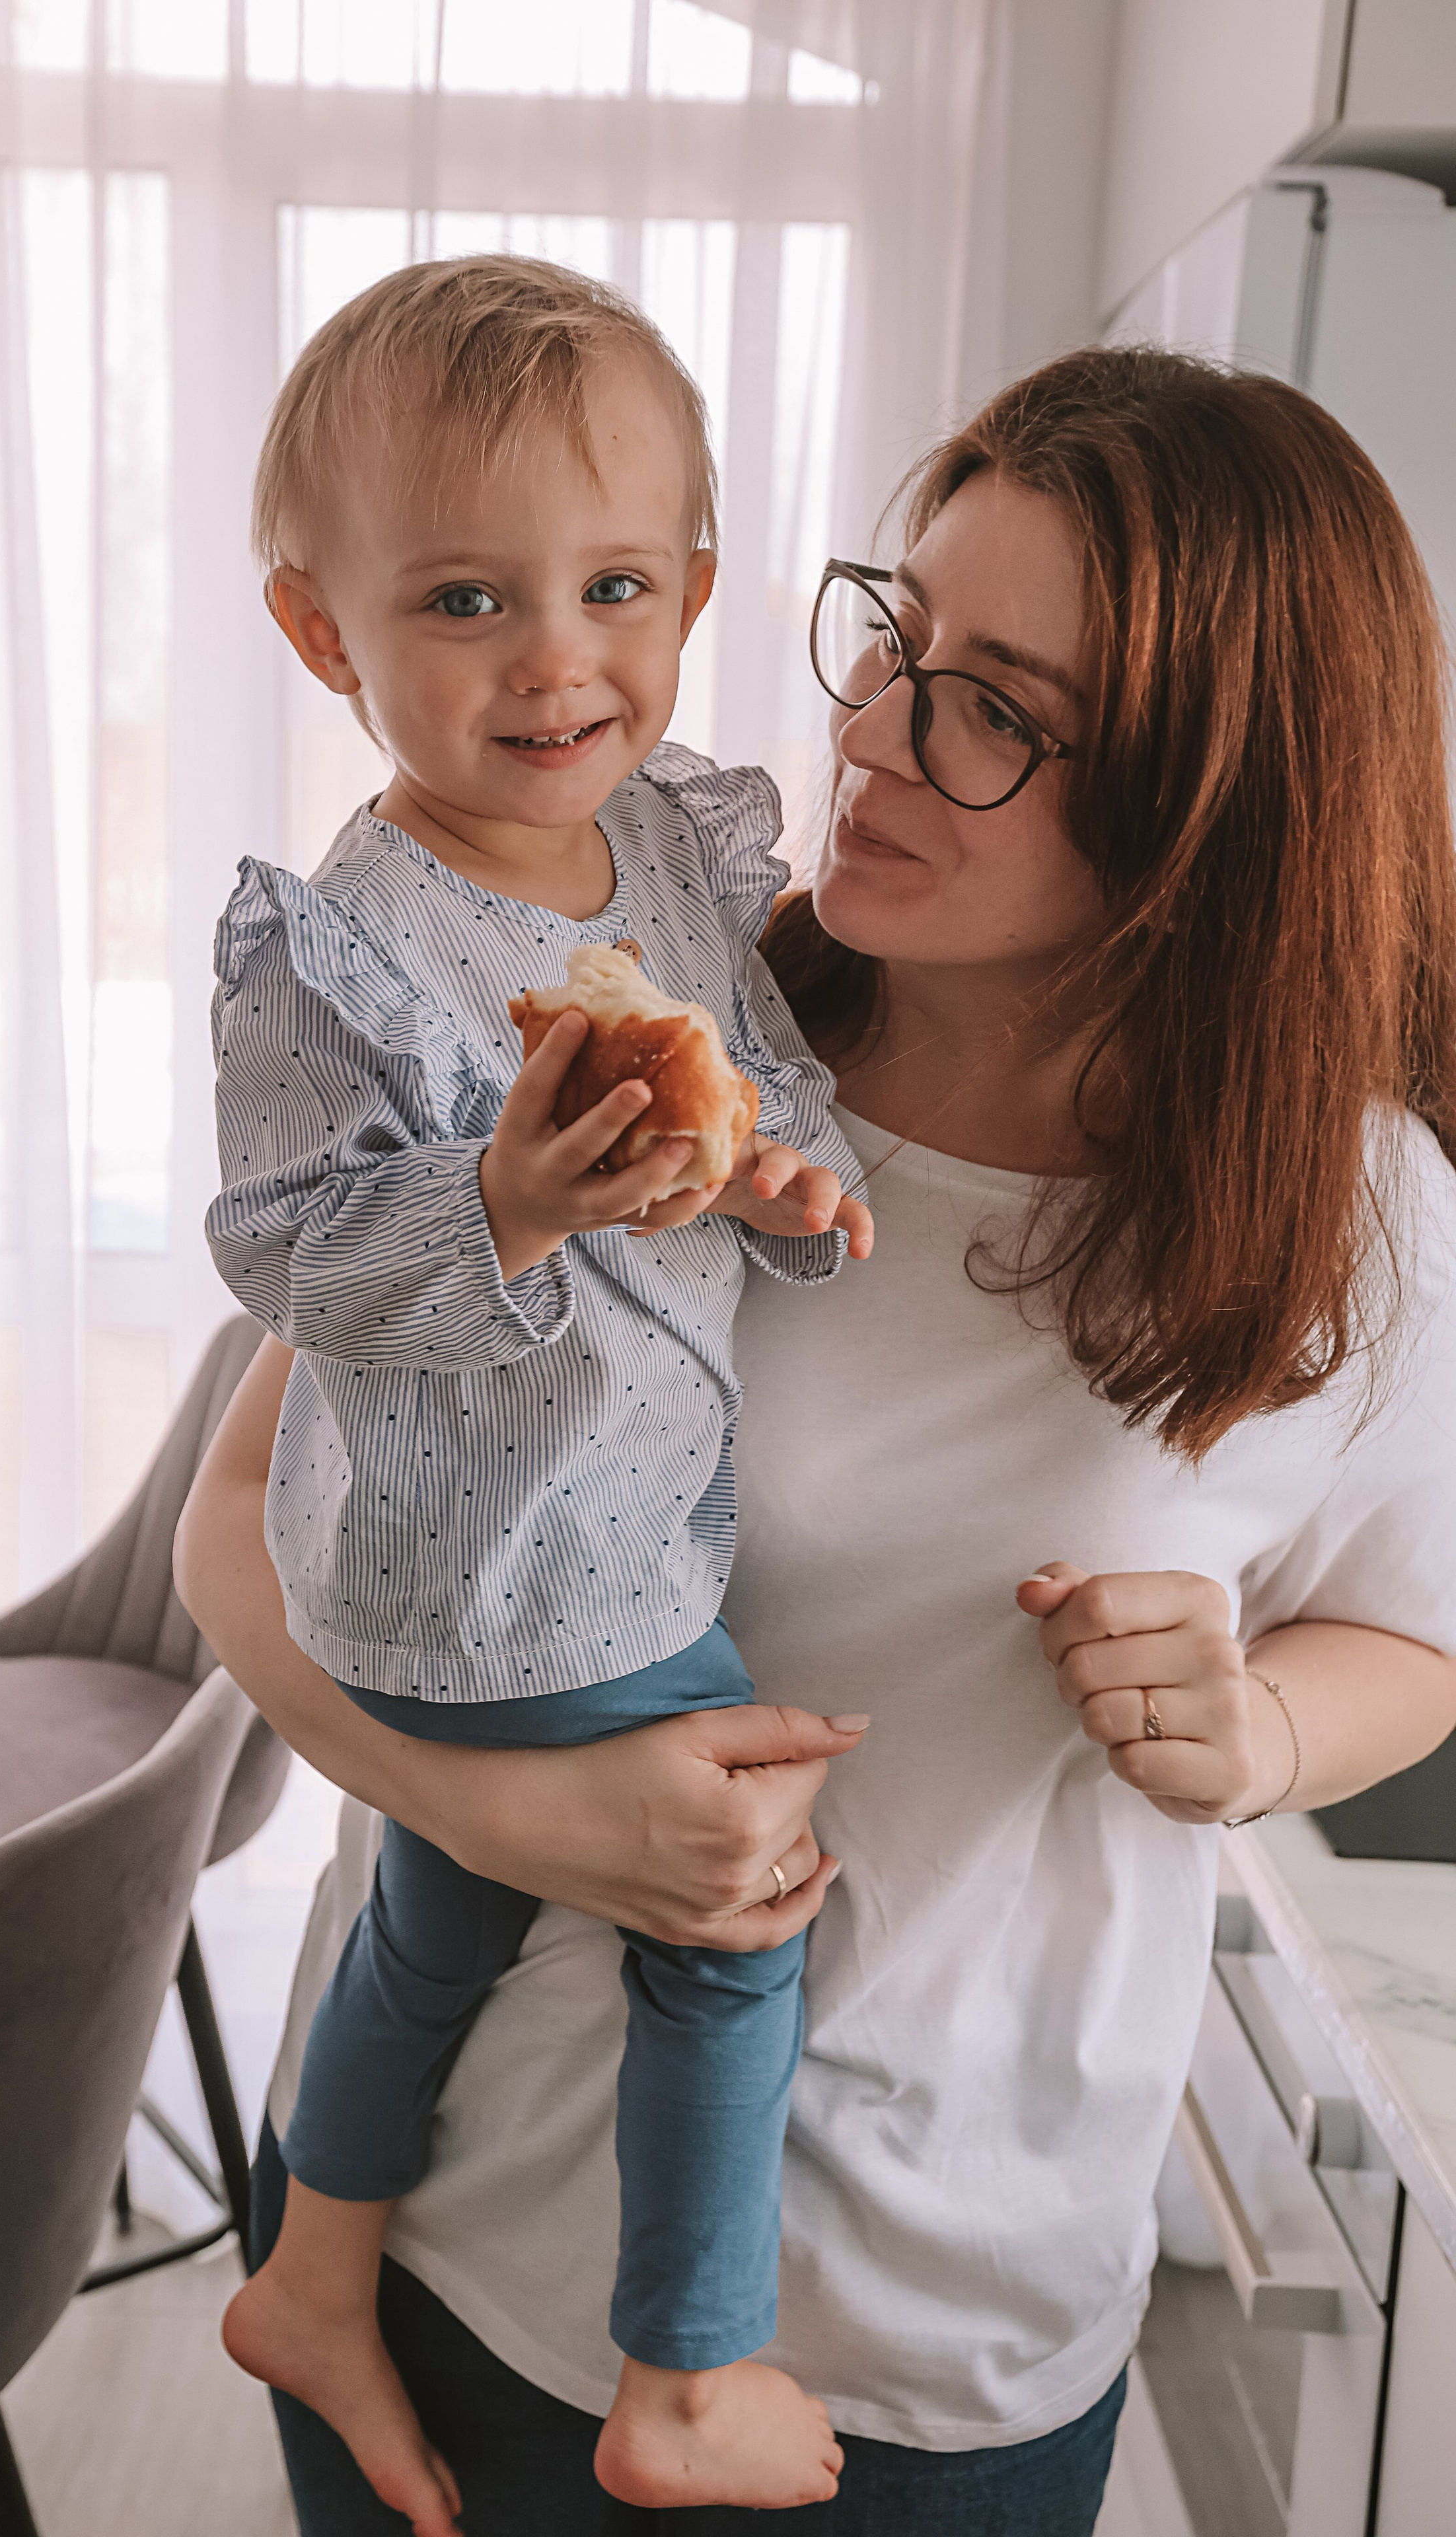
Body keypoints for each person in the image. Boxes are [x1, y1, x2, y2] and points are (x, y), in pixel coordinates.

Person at [178, 344, 1456, 2535]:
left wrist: (1252, 1733)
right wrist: (519, 1809)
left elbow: (1406, 1640)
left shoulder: (1359, 1216)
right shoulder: (652, 1031)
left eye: (997, 708)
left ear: (1218, 795)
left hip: (941, 2334)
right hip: (471, 2252)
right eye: (901, 637)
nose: (872, 734)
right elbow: (239, 1526)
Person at [205, 254, 875, 2531]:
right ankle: (685, 2367)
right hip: (488, 1561)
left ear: (695, 584)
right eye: (470, 598)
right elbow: (282, 1251)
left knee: (448, 1913)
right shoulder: (342, 947)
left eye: (611, 585)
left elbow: (758, 1065)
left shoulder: (674, 849)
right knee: (734, 1909)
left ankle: (312, 2258)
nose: (554, 659)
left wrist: (783, 1173)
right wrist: (493, 1205)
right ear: (329, 638)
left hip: (621, 1504)